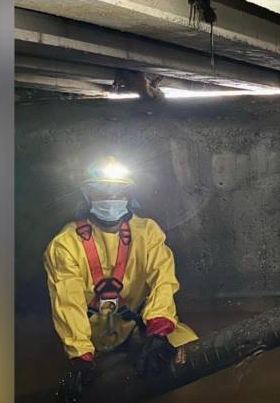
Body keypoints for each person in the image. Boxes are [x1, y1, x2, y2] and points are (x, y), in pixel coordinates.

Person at [44, 156, 199, 401]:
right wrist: (81, 355)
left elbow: (163, 280)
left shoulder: (147, 232)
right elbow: (67, 301)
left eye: (118, 190)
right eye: (101, 190)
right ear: (87, 194)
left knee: (181, 347)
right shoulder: (65, 244)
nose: (110, 197)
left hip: (137, 327)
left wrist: (159, 331)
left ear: (128, 194)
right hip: (88, 335)